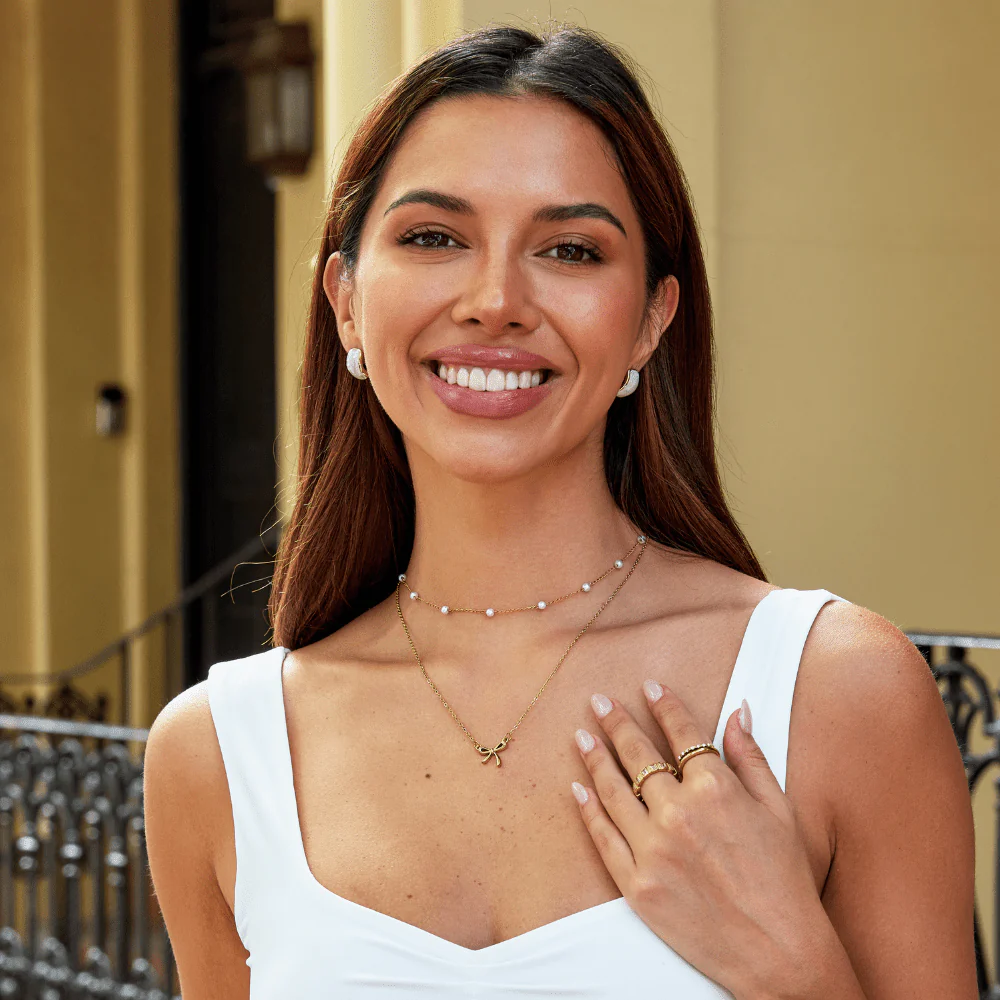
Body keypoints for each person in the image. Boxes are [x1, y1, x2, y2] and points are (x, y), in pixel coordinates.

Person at [144, 22, 975, 1000]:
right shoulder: (218, 754)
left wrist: (792, 968)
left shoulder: (837, 693)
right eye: (433, 237)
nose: (495, 299)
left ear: (651, 319)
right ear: (346, 301)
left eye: (571, 249)